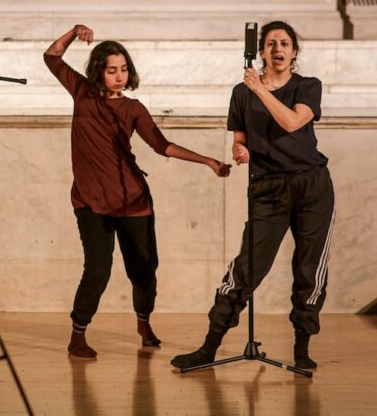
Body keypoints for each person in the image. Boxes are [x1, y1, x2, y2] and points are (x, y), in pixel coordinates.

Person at [45, 24, 232, 358]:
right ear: (99, 71)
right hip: (91, 202)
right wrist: (74, 32)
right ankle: (78, 334)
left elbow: (162, 146)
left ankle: (143, 322)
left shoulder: (134, 109)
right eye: (112, 70)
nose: (119, 76)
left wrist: (208, 161)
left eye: (124, 69)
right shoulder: (82, 93)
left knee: (144, 272)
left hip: (133, 200)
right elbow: (52, 56)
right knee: (98, 269)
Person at [170, 21, 335, 371]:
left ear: (294, 52)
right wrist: (240, 150)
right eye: (271, 43)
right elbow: (239, 138)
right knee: (246, 267)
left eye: (285, 43)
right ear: (261, 51)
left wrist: (261, 90)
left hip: (311, 186)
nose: (278, 48)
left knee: (309, 268)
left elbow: (292, 123)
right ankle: (209, 347)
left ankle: (302, 348)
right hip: (268, 187)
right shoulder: (241, 92)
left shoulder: (307, 86)